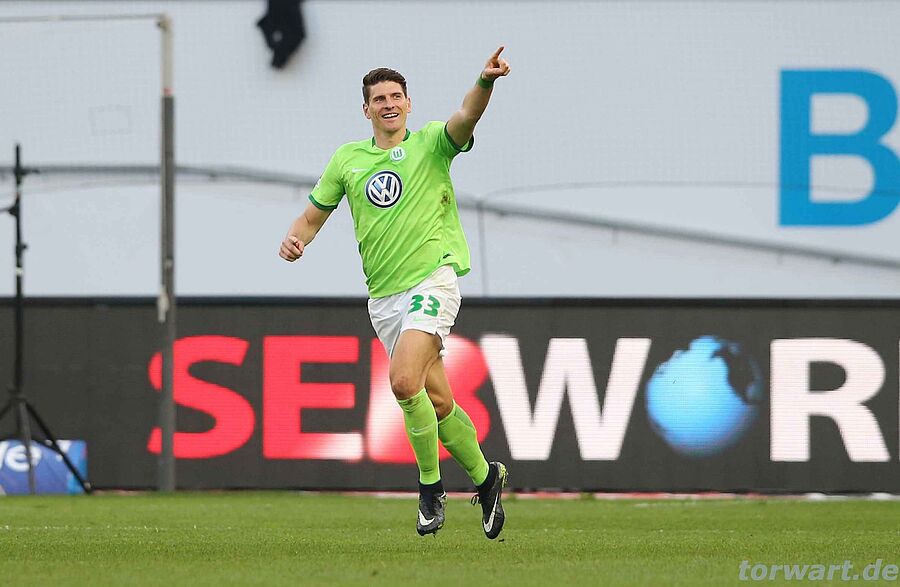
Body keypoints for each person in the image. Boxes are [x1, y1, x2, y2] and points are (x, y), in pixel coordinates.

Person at [279, 47, 511, 538]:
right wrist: (296, 239)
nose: (388, 104)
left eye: (395, 96)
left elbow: (467, 115)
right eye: (379, 99)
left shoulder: (432, 144)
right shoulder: (348, 159)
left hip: (432, 281)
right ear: (366, 109)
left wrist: (485, 82)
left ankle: (430, 489)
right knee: (438, 402)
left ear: (408, 103)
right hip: (384, 299)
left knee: (404, 382)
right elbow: (313, 215)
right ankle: (487, 477)